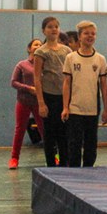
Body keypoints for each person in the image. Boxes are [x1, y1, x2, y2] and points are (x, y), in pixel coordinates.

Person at [61, 21, 107, 167]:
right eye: (86, 33)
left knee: (91, 145)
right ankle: (74, 173)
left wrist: (106, 110)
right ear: (79, 36)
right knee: (74, 144)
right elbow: (67, 83)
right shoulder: (71, 58)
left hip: (92, 109)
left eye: (93, 33)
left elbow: (104, 86)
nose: (90, 36)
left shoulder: (100, 59)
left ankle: (88, 172)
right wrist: (65, 107)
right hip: (75, 108)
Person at [34, 17, 71, 167]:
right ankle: (51, 165)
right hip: (49, 97)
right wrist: (41, 103)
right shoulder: (40, 52)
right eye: (50, 27)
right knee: (49, 134)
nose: (54, 29)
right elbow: (37, 78)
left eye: (56, 26)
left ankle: (64, 164)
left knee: (64, 133)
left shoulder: (67, 51)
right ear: (44, 31)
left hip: (64, 97)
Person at [8, 38, 44, 169]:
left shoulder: (45, 65)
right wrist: (29, 89)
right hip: (23, 101)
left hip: (40, 102)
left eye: (40, 45)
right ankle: (14, 158)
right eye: (35, 44)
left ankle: (53, 156)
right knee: (20, 129)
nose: (38, 46)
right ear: (29, 48)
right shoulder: (22, 65)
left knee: (44, 129)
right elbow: (13, 82)